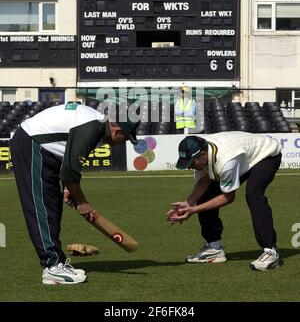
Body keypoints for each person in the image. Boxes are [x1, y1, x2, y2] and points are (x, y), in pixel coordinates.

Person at [10, 102, 139, 285]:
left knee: (52, 207)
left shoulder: (95, 125)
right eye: (126, 139)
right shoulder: (91, 128)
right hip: (32, 144)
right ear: (118, 131)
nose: (122, 143)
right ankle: (52, 267)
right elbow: (69, 172)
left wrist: (68, 189)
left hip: (44, 150)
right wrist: (81, 201)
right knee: (42, 208)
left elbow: (68, 162)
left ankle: (57, 262)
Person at [167, 131, 282, 271]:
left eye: (191, 162)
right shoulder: (202, 153)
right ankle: (214, 248)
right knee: (206, 195)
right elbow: (204, 182)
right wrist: (188, 204)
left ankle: (270, 252)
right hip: (243, 156)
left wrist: (194, 210)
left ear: (203, 155)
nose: (190, 166)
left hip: (266, 154)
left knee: (253, 193)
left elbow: (228, 197)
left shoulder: (225, 160)